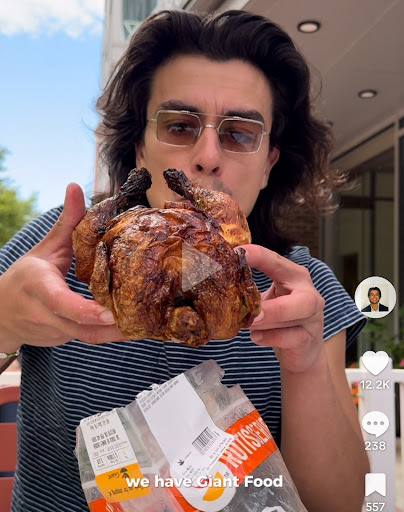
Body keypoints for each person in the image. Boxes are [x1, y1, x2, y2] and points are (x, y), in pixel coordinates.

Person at [0, 9, 369, 512]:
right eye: (178, 126)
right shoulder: (58, 252)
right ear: (140, 149)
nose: (207, 156)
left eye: (239, 134)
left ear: (268, 165)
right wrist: (3, 321)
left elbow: (342, 504)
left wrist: (304, 369)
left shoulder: (303, 292)